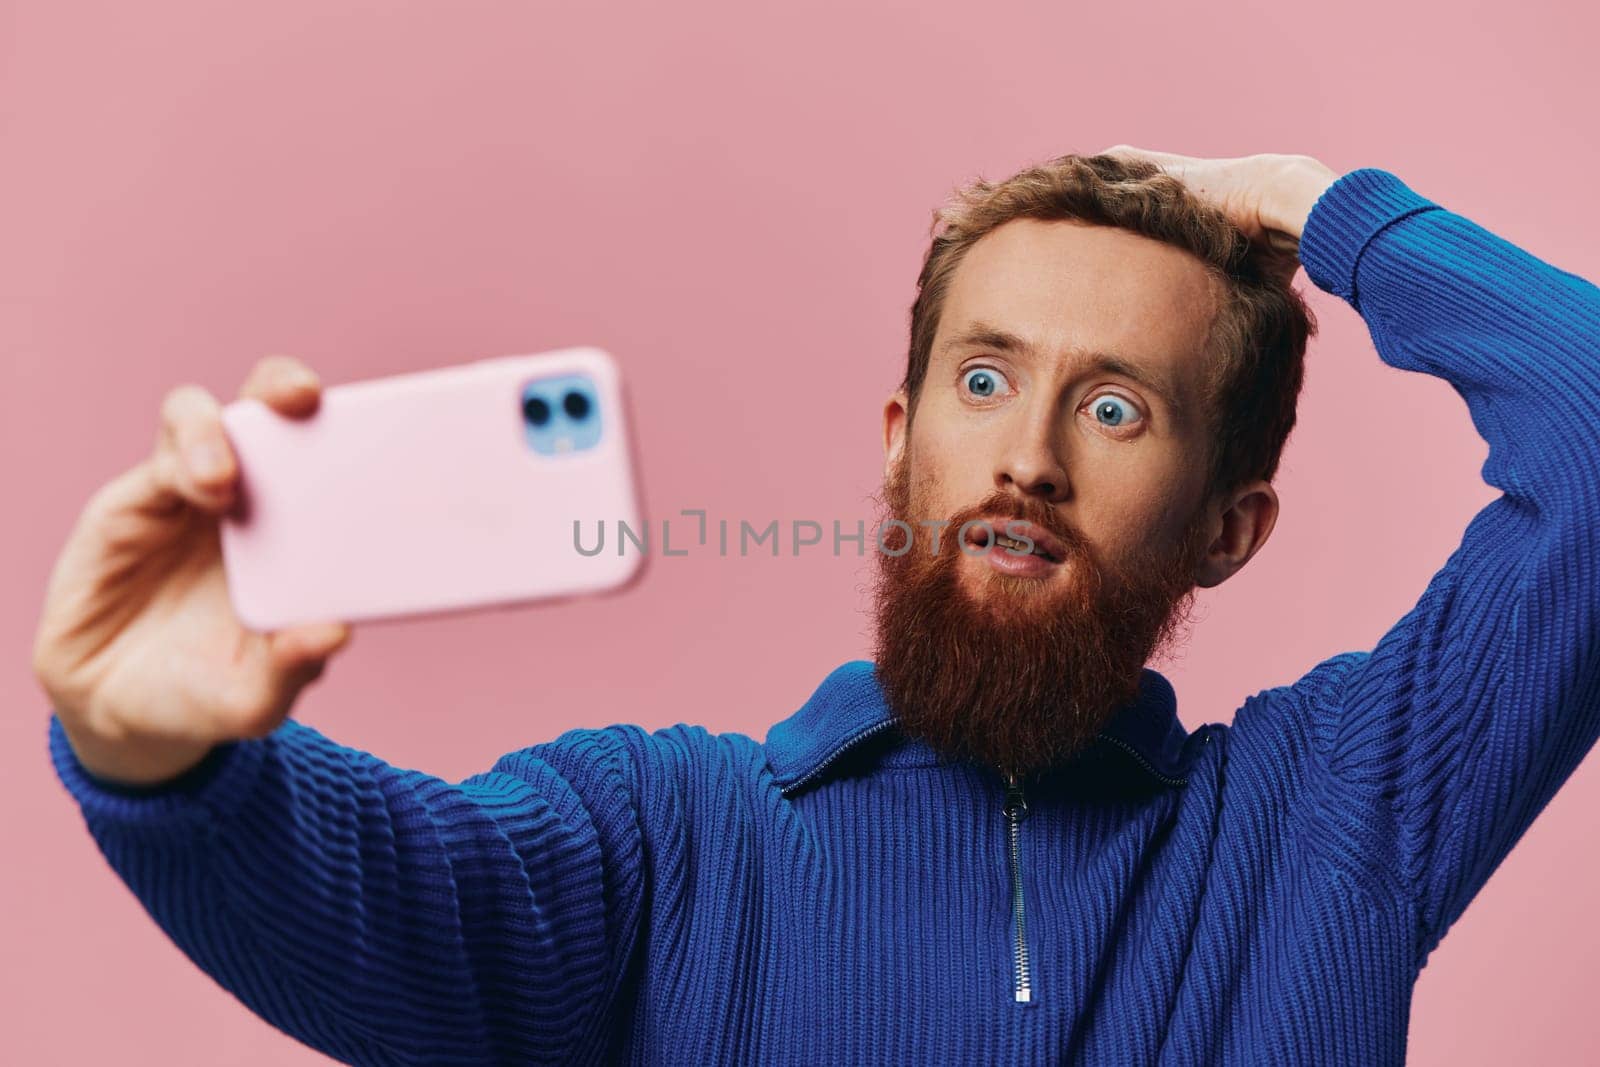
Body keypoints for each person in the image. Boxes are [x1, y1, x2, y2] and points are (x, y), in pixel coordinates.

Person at [32, 146, 1600, 1065]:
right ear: (901, 443)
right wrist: (156, 754)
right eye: (983, 380)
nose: (1030, 459)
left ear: (1228, 530)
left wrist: (1326, 205)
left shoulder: (1337, 812)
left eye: (1116, 410)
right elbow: (378, 889)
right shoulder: (664, 838)